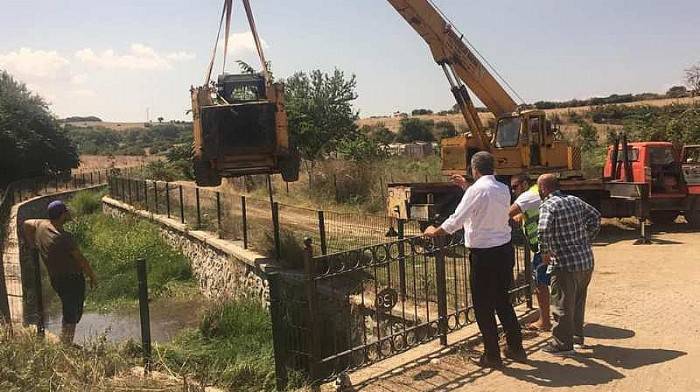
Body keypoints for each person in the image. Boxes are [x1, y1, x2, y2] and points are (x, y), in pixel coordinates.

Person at [424, 151, 526, 368]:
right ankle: (516, 348)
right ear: (493, 168)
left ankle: (492, 355)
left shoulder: (478, 190)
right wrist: (466, 187)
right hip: (504, 251)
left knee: (483, 306)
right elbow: (482, 202)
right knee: (502, 301)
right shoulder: (502, 188)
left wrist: (435, 231)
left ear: (474, 169)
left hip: (484, 255)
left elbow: (456, 220)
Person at [537, 174, 600, 355]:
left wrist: (545, 252)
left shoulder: (549, 205)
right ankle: (576, 337)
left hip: (565, 262)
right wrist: (587, 238)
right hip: (585, 260)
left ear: (543, 188)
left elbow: (543, 230)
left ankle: (562, 344)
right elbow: (595, 216)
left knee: (562, 303)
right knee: (578, 301)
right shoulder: (574, 200)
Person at [23, 200, 97, 345]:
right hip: (72, 279)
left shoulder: (42, 226)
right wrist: (92, 276)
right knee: (73, 313)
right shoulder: (63, 237)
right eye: (66, 212)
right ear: (62, 215)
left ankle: (65, 339)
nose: (68, 213)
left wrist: (32, 244)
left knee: (69, 309)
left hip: (56, 279)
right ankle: (65, 345)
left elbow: (26, 223)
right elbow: (81, 259)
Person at [509, 173, 551, 332]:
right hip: (548, 246)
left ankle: (545, 322)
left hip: (543, 249)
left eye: (515, 187)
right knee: (555, 284)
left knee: (541, 284)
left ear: (524, 184)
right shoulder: (536, 193)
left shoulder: (527, 195)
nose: (513, 191)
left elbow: (506, 213)